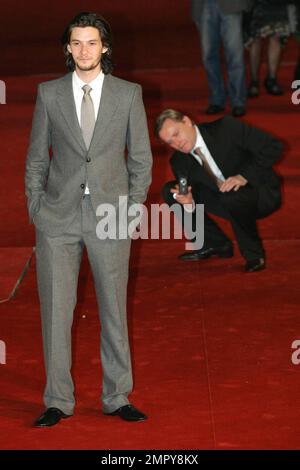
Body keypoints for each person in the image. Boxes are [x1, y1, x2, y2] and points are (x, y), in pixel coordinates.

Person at [25, 12, 152, 427]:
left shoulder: (128, 94)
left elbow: (141, 160)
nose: (84, 50)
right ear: (68, 48)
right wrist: (37, 210)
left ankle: (117, 396)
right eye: (76, 43)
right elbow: (35, 161)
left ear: (105, 47)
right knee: (56, 312)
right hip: (57, 219)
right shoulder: (48, 94)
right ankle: (57, 399)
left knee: (114, 310)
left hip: (111, 217)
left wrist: (131, 210)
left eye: (91, 43)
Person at [155, 109, 283, 273]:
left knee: (231, 196)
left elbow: (273, 147)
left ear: (187, 121)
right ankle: (214, 244)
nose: (177, 143)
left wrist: (244, 176)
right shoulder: (179, 161)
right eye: (170, 142)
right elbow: (191, 194)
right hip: (223, 197)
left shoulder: (226, 128)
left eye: (177, 134)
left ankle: (253, 255)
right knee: (171, 191)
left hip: (259, 192)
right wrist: (189, 203)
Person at [191, 0, 253, 117]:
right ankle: (216, 98)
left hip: (232, 5)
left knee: (235, 56)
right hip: (204, 5)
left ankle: (238, 101)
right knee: (208, 56)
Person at [244, 0, 294, 97]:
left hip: (279, 4)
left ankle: (272, 79)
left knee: (276, 36)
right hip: (256, 4)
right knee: (255, 38)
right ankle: (254, 81)